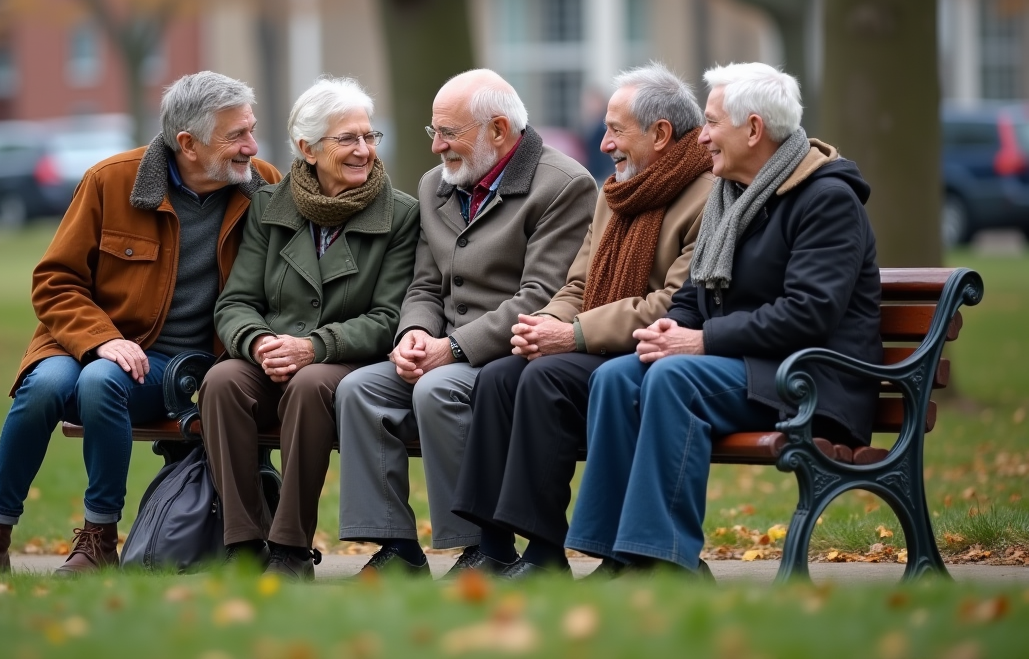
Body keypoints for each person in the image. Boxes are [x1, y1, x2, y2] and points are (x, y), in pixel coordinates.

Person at [0, 72, 282, 576]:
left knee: (103, 380)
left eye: (251, 131)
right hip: (80, 344)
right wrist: (102, 339)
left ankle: (99, 538)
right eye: (236, 135)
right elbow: (54, 281)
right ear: (188, 144)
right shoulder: (111, 181)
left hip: (176, 368)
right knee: (42, 386)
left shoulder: (262, 187)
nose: (250, 146)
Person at [565, 62, 882, 578]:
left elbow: (810, 313)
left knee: (674, 376)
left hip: (811, 379)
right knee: (616, 376)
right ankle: (616, 555)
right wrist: (672, 328)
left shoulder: (826, 199)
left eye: (711, 124)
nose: (703, 137)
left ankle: (665, 558)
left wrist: (702, 340)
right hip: (747, 367)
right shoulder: (730, 197)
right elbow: (694, 294)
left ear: (753, 129)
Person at [451, 63, 714, 579]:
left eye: (616, 130)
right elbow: (577, 286)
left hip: (642, 352)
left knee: (546, 376)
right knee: (501, 375)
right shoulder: (614, 194)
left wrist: (570, 334)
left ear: (660, 134)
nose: (605, 142)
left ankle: (546, 550)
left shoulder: (706, 199)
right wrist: (541, 325)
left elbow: (671, 303)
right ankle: (492, 545)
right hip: (595, 342)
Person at [335, 68, 598, 577]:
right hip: (443, 347)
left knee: (438, 389)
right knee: (358, 389)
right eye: (433, 132)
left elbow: (541, 297)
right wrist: (414, 332)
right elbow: (424, 285)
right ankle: (396, 547)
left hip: (509, 353)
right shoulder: (437, 184)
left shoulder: (563, 185)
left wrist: (450, 349)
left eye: (448, 133)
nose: (436, 147)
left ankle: (483, 547)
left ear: (498, 131)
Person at [198, 77, 419, 581]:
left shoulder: (401, 214)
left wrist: (313, 346)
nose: (364, 150)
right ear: (307, 149)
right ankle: (243, 541)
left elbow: (389, 319)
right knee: (222, 381)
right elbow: (235, 302)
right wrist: (258, 343)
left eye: (369, 136)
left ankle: (289, 547)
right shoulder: (269, 206)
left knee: (310, 383)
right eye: (348, 139)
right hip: (273, 353)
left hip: (344, 359)